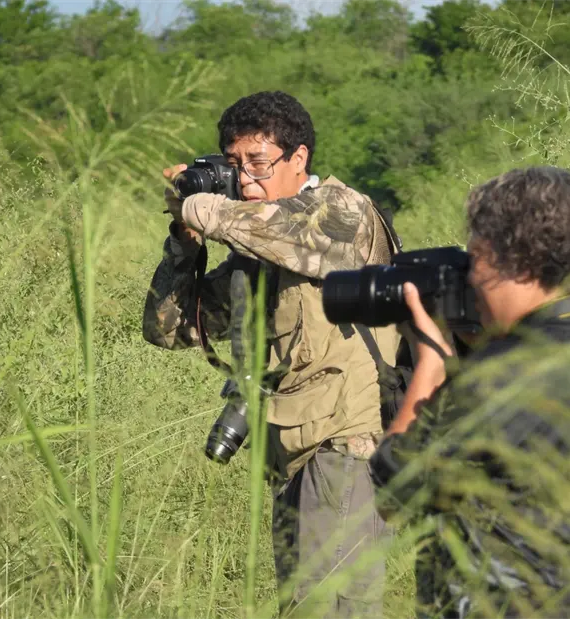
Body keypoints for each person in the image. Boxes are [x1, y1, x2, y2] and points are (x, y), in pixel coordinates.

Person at [369, 166, 570, 618]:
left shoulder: (507, 370)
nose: (471, 277)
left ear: (517, 259)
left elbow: (396, 487)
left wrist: (431, 357)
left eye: (477, 258)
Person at [142, 90, 401, 618]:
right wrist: (184, 240)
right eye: (233, 164)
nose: (244, 179)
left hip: (347, 445)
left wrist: (200, 204)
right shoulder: (254, 257)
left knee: (329, 608)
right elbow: (168, 328)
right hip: (290, 453)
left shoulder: (342, 212)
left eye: (257, 162)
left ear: (298, 157)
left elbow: (282, 230)